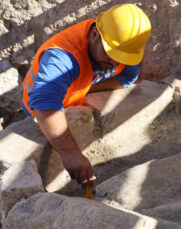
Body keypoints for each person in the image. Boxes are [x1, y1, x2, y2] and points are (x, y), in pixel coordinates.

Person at [21, 3, 151, 188]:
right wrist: (70, 154)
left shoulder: (124, 48)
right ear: (94, 35)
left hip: (68, 102)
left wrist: (88, 89)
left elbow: (128, 76)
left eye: (122, 57)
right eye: (111, 54)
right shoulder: (63, 57)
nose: (115, 62)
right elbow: (44, 104)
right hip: (36, 111)